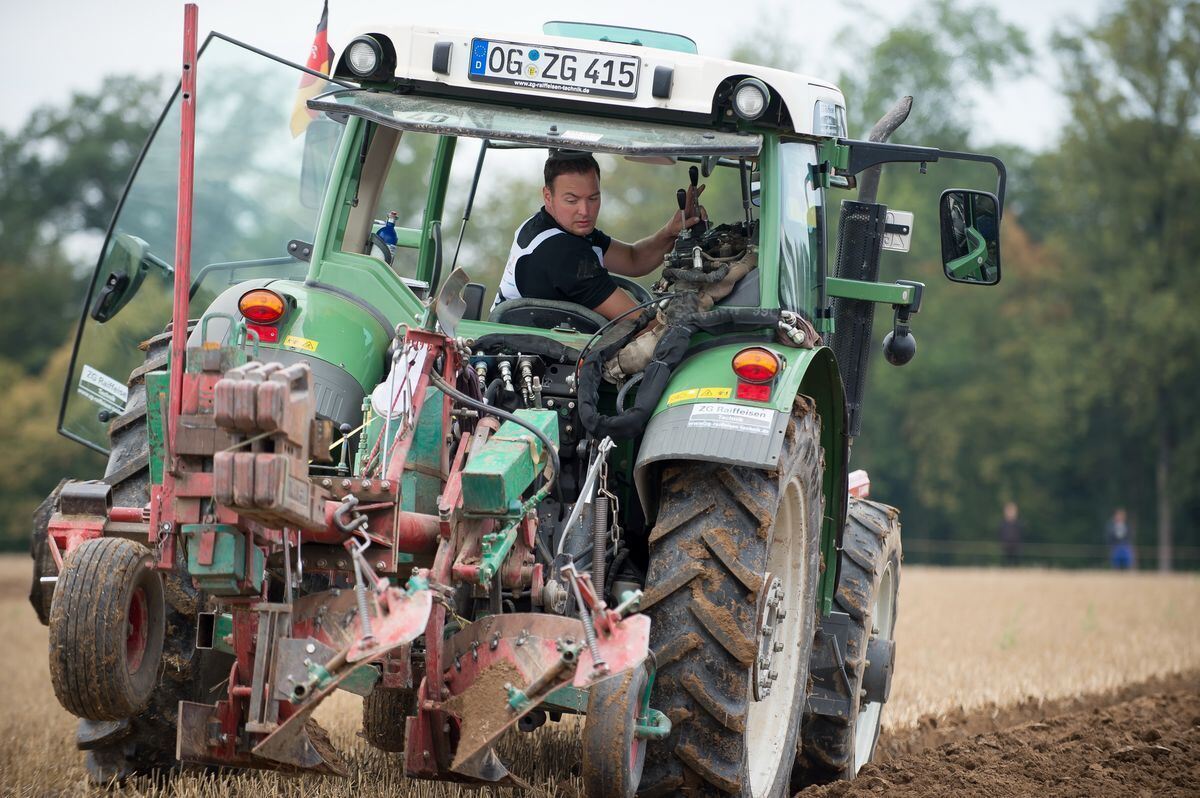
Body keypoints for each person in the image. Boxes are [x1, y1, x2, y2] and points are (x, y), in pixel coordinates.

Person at [492, 150, 702, 320]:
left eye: (593, 198)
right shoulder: (563, 252)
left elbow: (633, 259)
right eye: (572, 200)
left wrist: (671, 231)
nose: (585, 211)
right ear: (548, 196)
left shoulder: (551, 226)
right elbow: (640, 322)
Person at [998, 501, 1023, 566]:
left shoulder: (1018, 524)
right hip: (1006, 547)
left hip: (1016, 547)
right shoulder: (1003, 524)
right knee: (1006, 562)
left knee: (1016, 562)